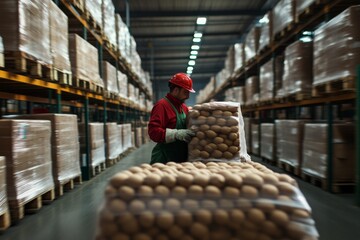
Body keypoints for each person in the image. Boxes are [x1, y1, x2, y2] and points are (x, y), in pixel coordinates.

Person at [148, 73, 196, 164]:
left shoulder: (184, 108)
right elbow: (153, 132)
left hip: (180, 159)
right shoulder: (161, 106)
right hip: (164, 159)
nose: (188, 96)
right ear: (176, 90)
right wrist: (176, 134)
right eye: (185, 92)